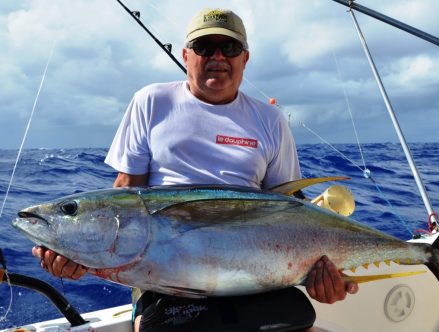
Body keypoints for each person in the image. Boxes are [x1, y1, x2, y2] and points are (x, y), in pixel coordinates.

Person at [33, 8, 358, 331]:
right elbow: (124, 195)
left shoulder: (270, 120)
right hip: (164, 283)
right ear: (187, 55)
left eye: (229, 48)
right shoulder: (151, 102)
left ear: (245, 58)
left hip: (255, 280)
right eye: (204, 48)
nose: (218, 56)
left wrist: (319, 274)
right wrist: (81, 255)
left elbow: (291, 210)